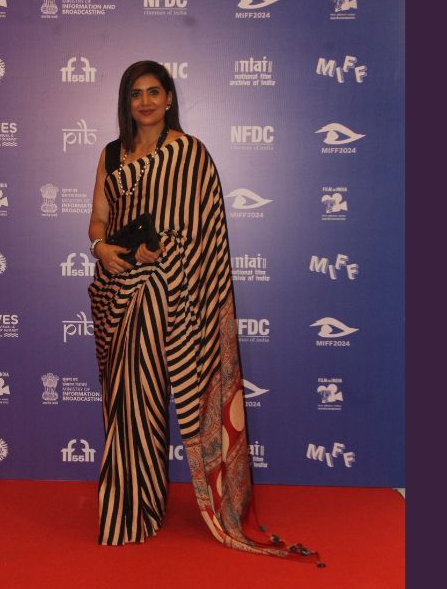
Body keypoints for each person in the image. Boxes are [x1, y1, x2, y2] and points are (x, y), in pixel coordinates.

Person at [87, 61, 322, 564]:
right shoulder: (111, 154)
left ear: (169, 98)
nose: (145, 102)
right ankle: (137, 506)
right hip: (118, 288)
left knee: (143, 392)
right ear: (126, 102)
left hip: (168, 290)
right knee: (130, 400)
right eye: (135, 94)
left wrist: (159, 252)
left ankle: (141, 510)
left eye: (154, 92)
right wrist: (102, 249)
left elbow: (198, 229)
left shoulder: (190, 154)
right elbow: (98, 220)